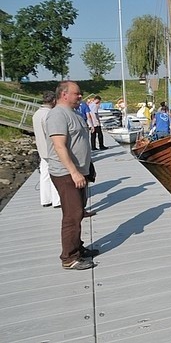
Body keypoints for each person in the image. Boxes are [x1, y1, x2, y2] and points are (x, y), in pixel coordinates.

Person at [46, 80, 98, 270]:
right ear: (64, 94)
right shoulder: (57, 115)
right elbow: (59, 146)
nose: (80, 96)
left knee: (79, 213)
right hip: (66, 174)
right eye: (77, 93)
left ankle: (78, 247)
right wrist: (74, 172)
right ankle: (69, 258)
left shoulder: (74, 114)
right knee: (72, 215)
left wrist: (86, 168)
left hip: (79, 172)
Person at [32, 90, 61, 208]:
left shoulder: (36, 114)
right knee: (56, 174)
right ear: (53, 100)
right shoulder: (49, 115)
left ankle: (45, 199)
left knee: (44, 174)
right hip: (51, 149)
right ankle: (57, 200)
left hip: (41, 148)